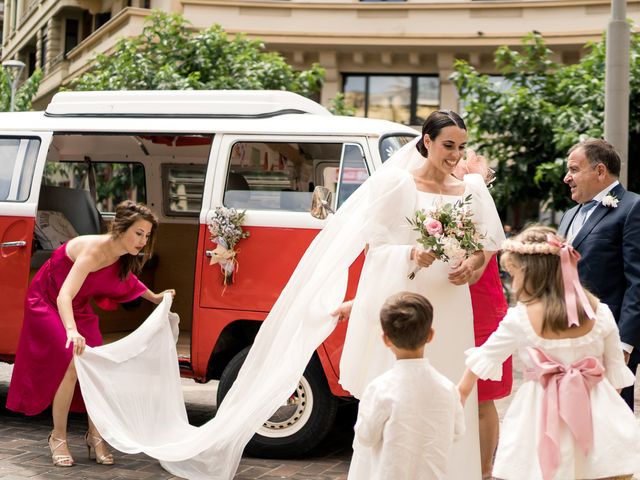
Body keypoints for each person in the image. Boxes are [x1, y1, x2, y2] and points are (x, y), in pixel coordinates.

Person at [457, 225, 640, 480]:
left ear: (531, 274)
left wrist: (461, 394)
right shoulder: (601, 312)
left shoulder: (520, 318)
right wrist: (602, 412)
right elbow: (615, 373)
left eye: (514, 274)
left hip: (538, 413)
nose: (513, 283)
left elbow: (484, 359)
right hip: (595, 409)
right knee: (595, 470)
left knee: (542, 470)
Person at [6, 200, 175, 467]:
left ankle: (95, 435)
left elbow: (128, 280)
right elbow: (64, 295)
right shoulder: (94, 251)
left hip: (78, 307)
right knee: (72, 360)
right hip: (48, 301)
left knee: (96, 366)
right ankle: (57, 437)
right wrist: (71, 331)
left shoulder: (122, 254)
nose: (143, 241)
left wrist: (155, 297)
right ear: (120, 229)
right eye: (138, 233)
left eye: (147, 235)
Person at [558, 138, 640, 410]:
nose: (566, 178)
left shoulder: (632, 207)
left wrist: (625, 344)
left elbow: (637, 282)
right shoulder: (569, 214)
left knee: (611, 424)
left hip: (609, 337)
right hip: (566, 333)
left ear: (600, 171)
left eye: (573, 169)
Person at [347, 292, 465, 480]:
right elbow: (457, 432)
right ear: (430, 335)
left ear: (386, 339)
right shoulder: (447, 388)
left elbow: (366, 436)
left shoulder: (379, 388)